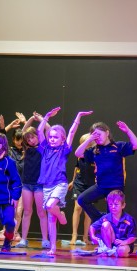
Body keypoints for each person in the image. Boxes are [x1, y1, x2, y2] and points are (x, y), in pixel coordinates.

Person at [36, 107, 93, 255]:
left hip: (60, 183)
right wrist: (46, 116)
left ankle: (61, 216)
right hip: (46, 185)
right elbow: (39, 131)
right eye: (51, 137)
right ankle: (53, 247)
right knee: (51, 218)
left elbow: (72, 132)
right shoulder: (44, 148)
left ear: (62, 138)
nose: (52, 139)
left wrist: (78, 116)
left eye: (56, 137)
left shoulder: (64, 149)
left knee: (49, 206)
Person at [75, 121, 137, 223]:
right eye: (95, 135)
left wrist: (127, 131)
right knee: (81, 199)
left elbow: (136, 145)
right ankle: (100, 219)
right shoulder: (95, 150)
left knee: (113, 219)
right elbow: (78, 153)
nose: (97, 137)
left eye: (99, 134)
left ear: (107, 133)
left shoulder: (118, 146)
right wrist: (89, 139)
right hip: (100, 186)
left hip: (115, 187)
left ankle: (111, 225)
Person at [16, 123, 50, 249]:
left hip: (39, 185)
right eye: (28, 139)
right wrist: (30, 119)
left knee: (41, 212)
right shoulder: (27, 148)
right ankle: (23, 239)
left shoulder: (43, 147)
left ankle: (45, 239)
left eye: (32, 137)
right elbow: (23, 131)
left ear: (37, 135)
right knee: (27, 212)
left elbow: (49, 130)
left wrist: (42, 119)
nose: (30, 141)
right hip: (27, 184)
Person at [89, 190, 136, 257]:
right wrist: (93, 236)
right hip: (110, 244)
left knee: (122, 251)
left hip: (123, 244)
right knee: (105, 224)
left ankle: (108, 252)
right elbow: (92, 227)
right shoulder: (106, 217)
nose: (113, 207)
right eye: (110, 204)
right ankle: (108, 249)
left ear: (123, 205)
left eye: (116, 204)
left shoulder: (129, 219)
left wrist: (124, 242)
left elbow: (132, 237)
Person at [67, 133, 95, 245]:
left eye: (88, 143)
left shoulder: (95, 154)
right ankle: (74, 235)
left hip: (91, 185)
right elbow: (76, 168)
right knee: (77, 208)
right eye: (83, 143)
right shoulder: (79, 155)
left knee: (88, 211)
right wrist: (73, 181)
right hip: (79, 184)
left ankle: (85, 237)